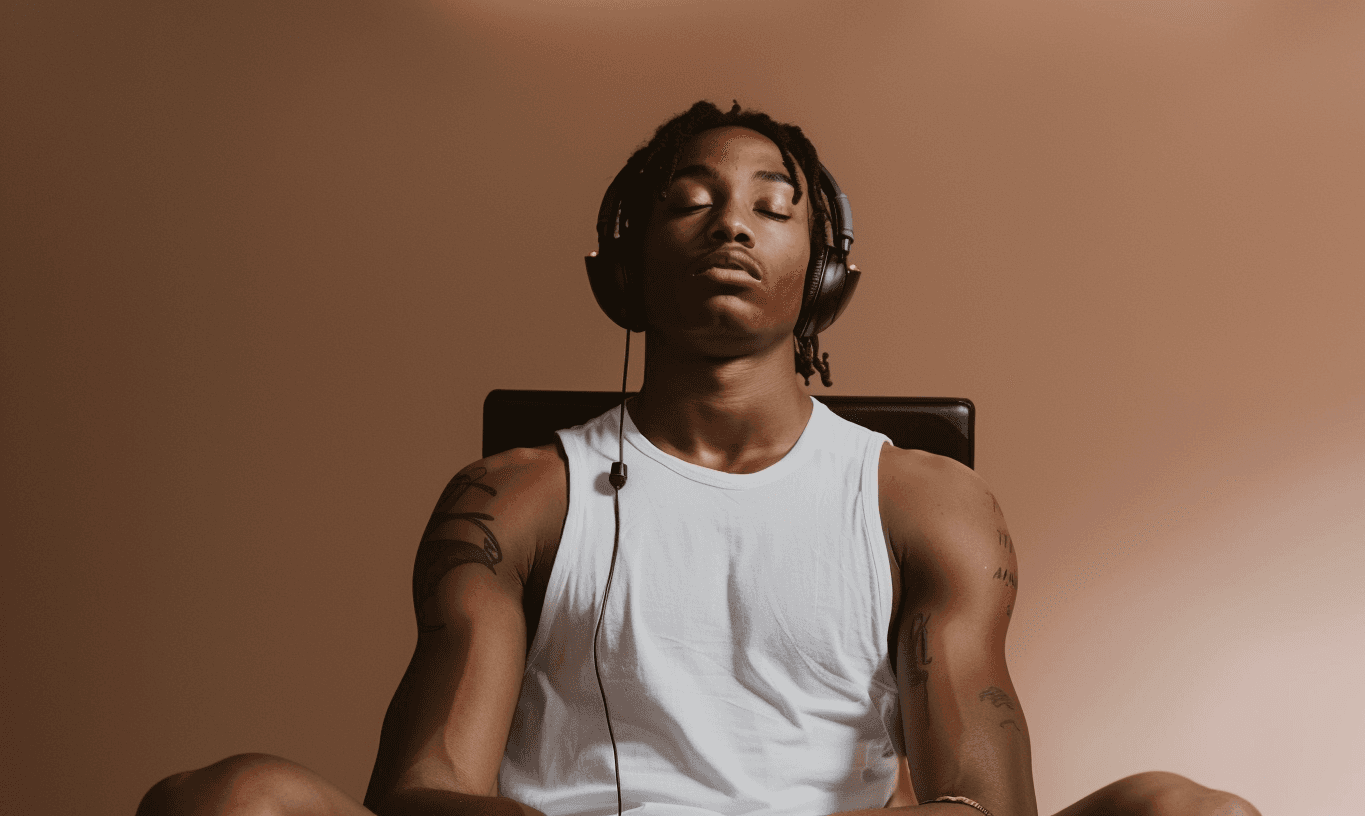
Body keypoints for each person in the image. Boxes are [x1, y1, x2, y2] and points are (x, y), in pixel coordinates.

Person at [137, 101, 1260, 816]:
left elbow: (984, 798)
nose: (732, 225)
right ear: (623, 269)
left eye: (772, 208)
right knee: (226, 798)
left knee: (1192, 812)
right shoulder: (515, 497)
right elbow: (427, 788)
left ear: (822, 277)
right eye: (691, 203)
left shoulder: (928, 502)